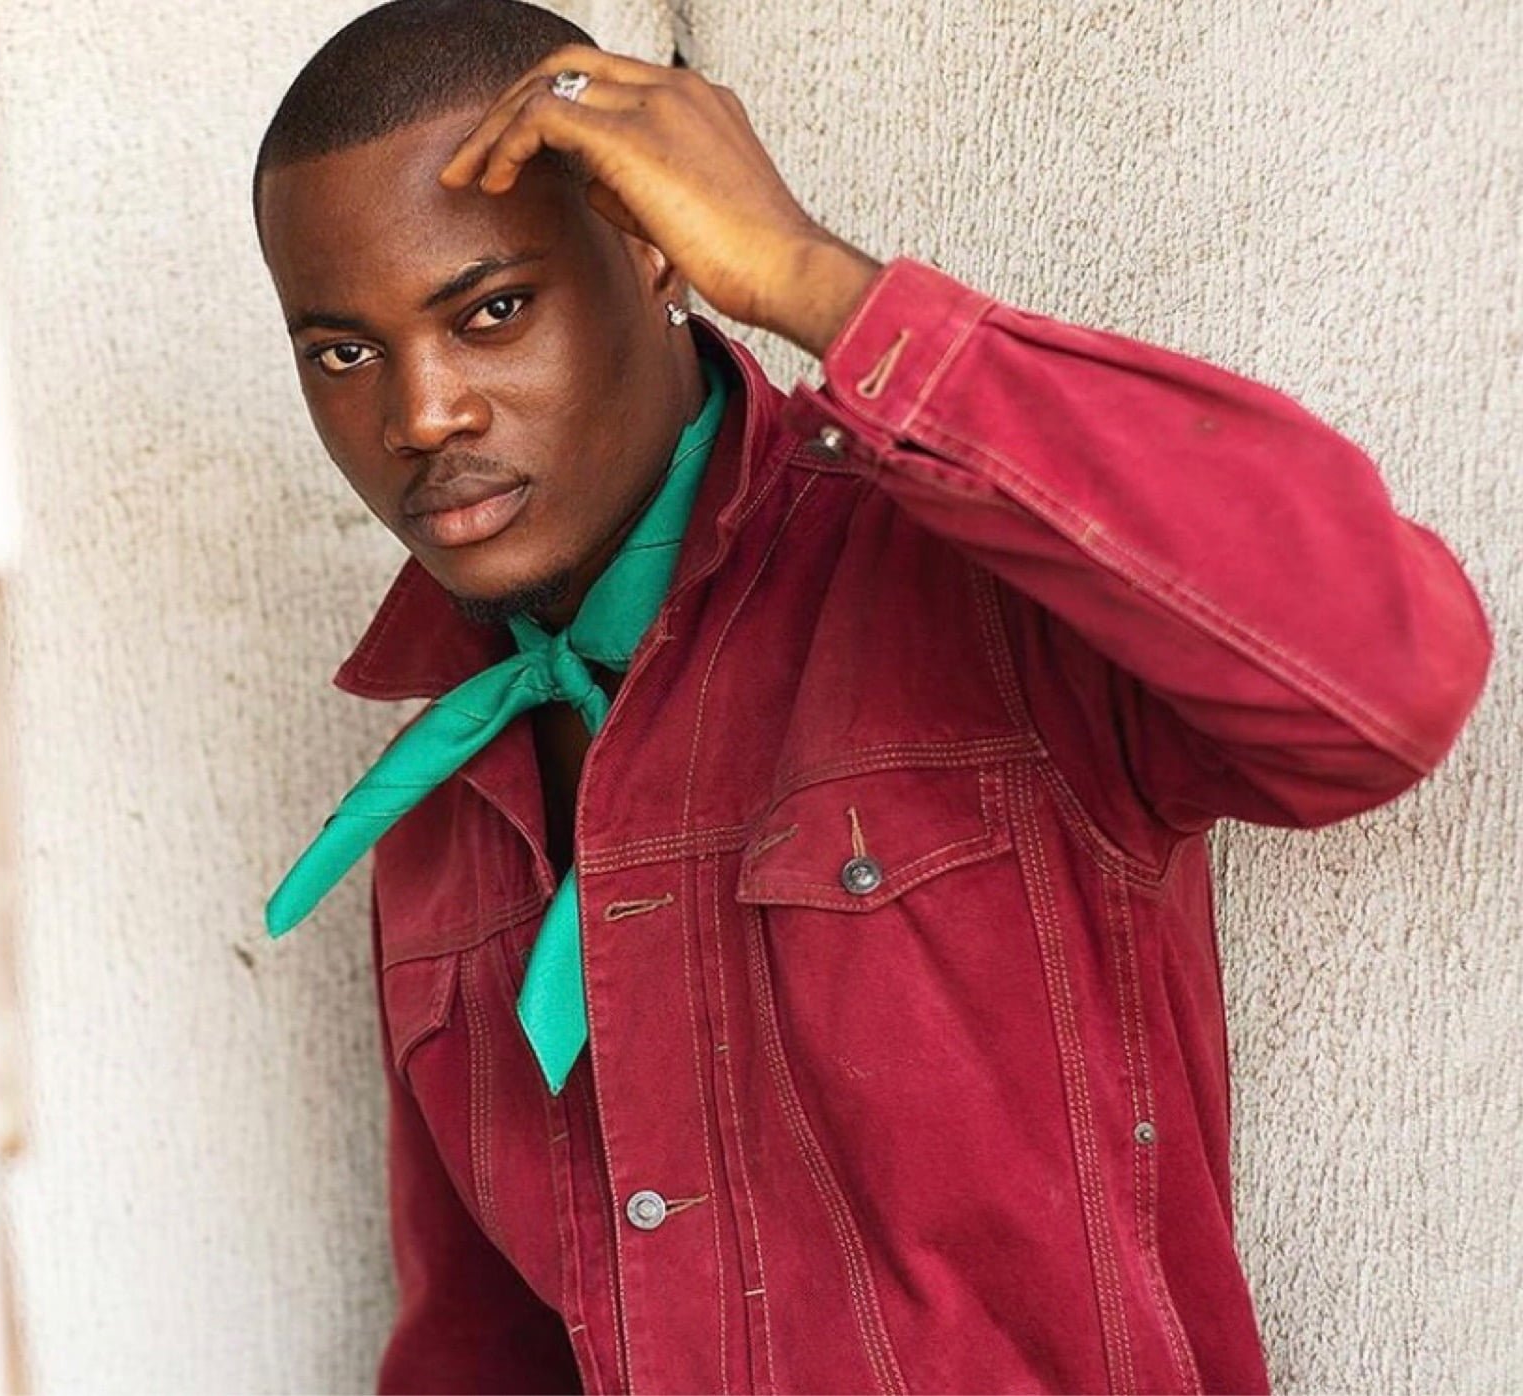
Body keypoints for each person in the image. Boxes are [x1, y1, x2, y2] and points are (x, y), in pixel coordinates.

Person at [251, 2, 1492, 1391]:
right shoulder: (435, 802)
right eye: (343, 353)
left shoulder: (969, 577)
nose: (423, 415)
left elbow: (1386, 683)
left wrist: (811, 278)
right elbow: (481, 1346)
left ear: (652, 250)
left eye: (492, 312)